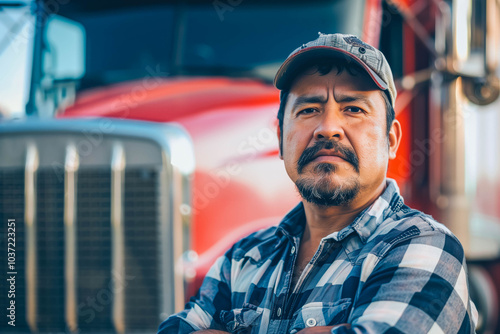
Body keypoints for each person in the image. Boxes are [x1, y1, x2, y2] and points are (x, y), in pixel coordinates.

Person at [157, 33, 477, 333]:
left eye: (353, 109)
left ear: (391, 140)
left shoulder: (424, 246)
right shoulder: (243, 257)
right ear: (281, 139)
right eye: (309, 109)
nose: (328, 128)